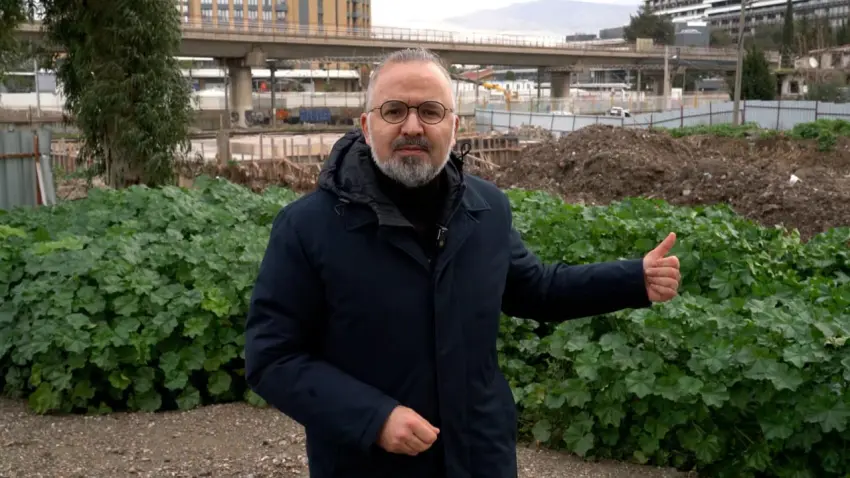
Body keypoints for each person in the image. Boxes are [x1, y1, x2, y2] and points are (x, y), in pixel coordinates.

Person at [244, 47, 681, 478]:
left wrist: (633, 279)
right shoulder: (308, 227)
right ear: (366, 125)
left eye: (430, 111)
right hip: (368, 465)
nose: (412, 126)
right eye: (394, 110)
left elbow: (537, 290)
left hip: (481, 456)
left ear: (453, 126)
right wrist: (373, 418)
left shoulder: (486, 209)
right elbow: (272, 358)